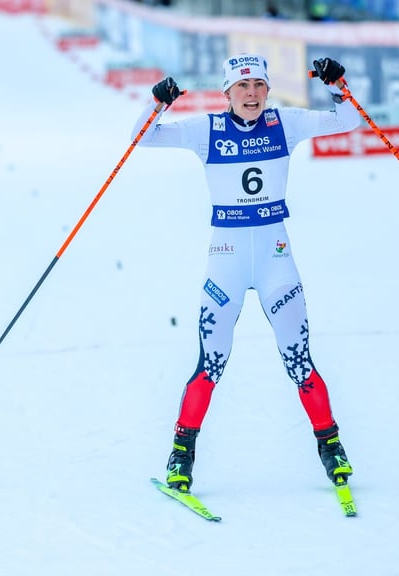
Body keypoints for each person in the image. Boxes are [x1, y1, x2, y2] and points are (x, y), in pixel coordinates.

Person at [132, 54, 360, 492]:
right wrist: (158, 103)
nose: (251, 94)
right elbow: (142, 138)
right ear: (227, 93)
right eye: (242, 86)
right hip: (226, 262)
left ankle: (331, 447)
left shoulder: (285, 124)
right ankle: (181, 455)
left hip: (277, 260)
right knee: (210, 365)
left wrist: (337, 87)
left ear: (268, 91)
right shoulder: (207, 131)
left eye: (258, 85)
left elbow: (348, 120)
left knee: (299, 361)